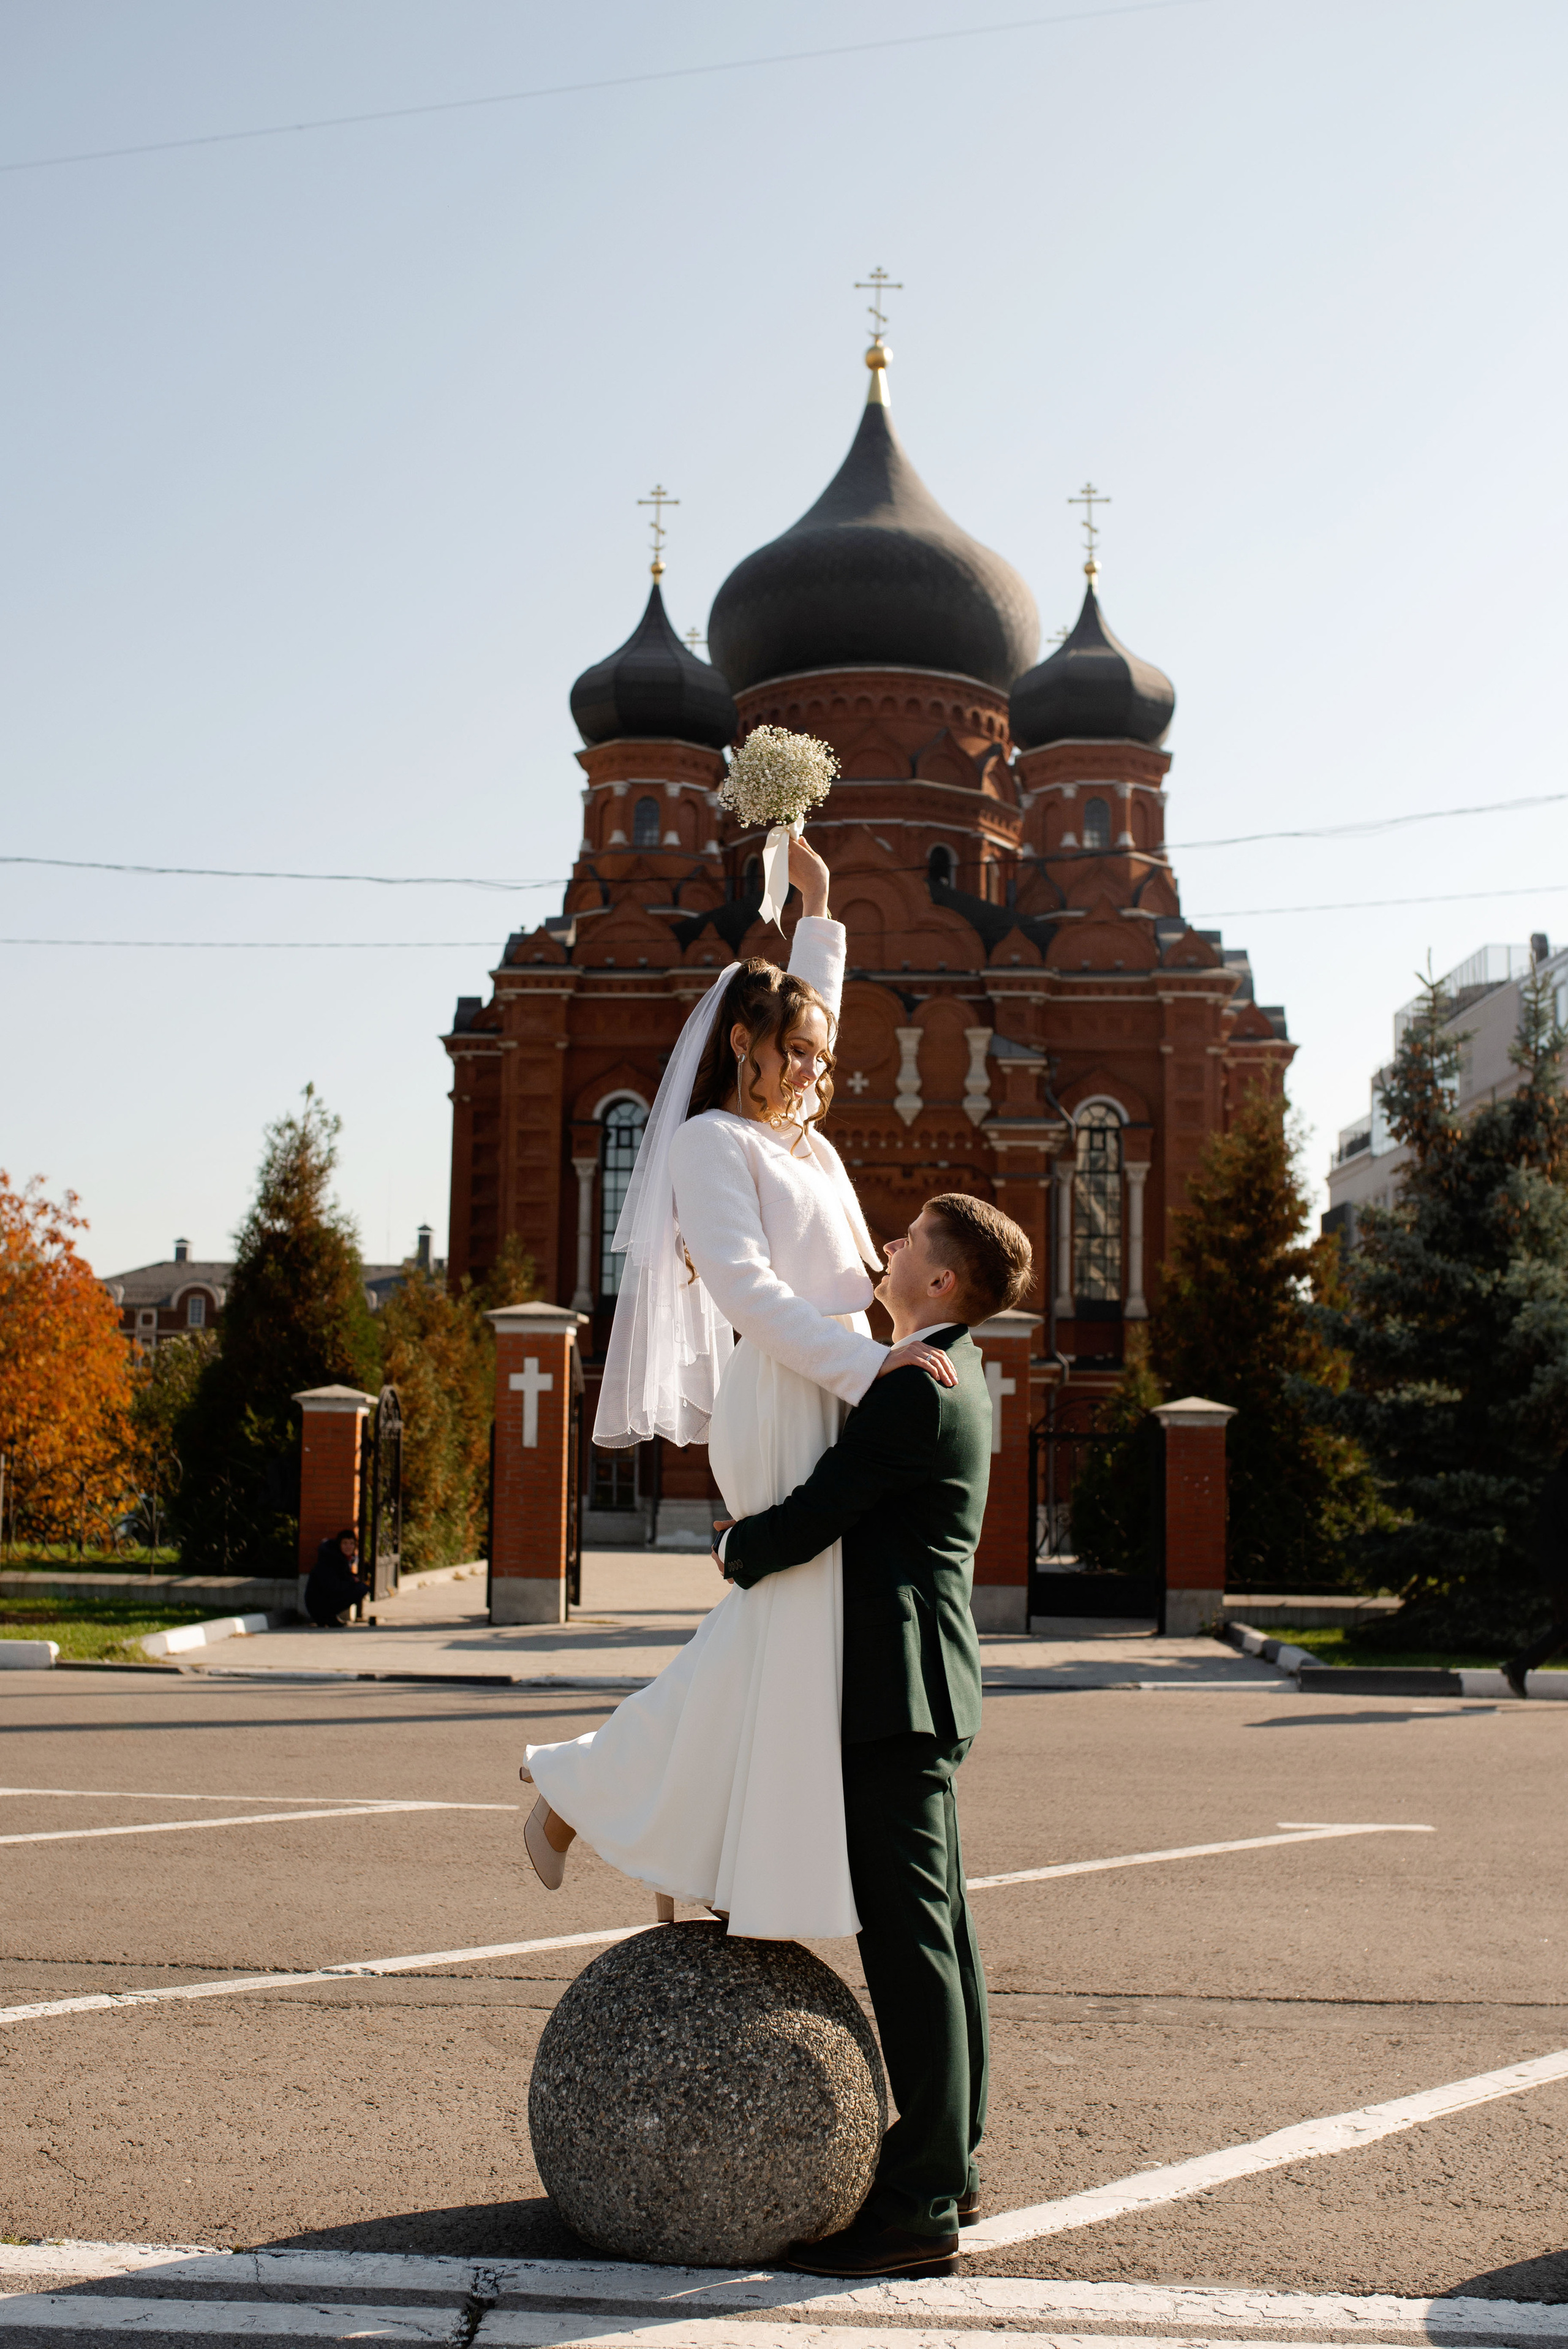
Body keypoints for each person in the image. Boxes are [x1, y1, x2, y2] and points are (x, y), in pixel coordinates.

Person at [519, 838, 955, 1935]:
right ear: (742, 1045)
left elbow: (820, 1007)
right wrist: (872, 1363)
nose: (815, 1068)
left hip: (838, 1382)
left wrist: (820, 900)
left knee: (784, 1635)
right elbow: (750, 1293)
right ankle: (615, 1803)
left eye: (819, 1053)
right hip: (784, 1390)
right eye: (796, 1051)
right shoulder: (712, 1145)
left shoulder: (803, 1144)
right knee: (788, 1623)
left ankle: (644, 1821)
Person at [712, 1193, 1033, 2280]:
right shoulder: (951, 1370)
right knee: (939, 1931)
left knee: (910, 1944)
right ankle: (953, 2160)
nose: (887, 1248)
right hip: (926, 1685)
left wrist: (735, 1546)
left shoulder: (915, 1386)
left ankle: (919, 2204)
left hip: (897, 1692)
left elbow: (823, 1508)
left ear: (941, 1280)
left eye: (908, 1242)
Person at [1502, 1445, 1568, 1696]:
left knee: (1565, 1626)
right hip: (1564, 1569)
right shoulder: (1564, 1487)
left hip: (1555, 1567)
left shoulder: (1554, 1484)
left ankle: (1519, 1666)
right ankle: (1519, 1666)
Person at [304, 1527, 368, 1628]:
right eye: (345, 1543)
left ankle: (330, 1616)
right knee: (360, 1588)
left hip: (322, 1601)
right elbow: (333, 1586)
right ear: (339, 1544)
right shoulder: (331, 1560)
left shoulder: (341, 1558)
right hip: (318, 1604)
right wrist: (352, 1580)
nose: (348, 1547)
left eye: (351, 1544)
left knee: (361, 1587)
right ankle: (327, 1616)